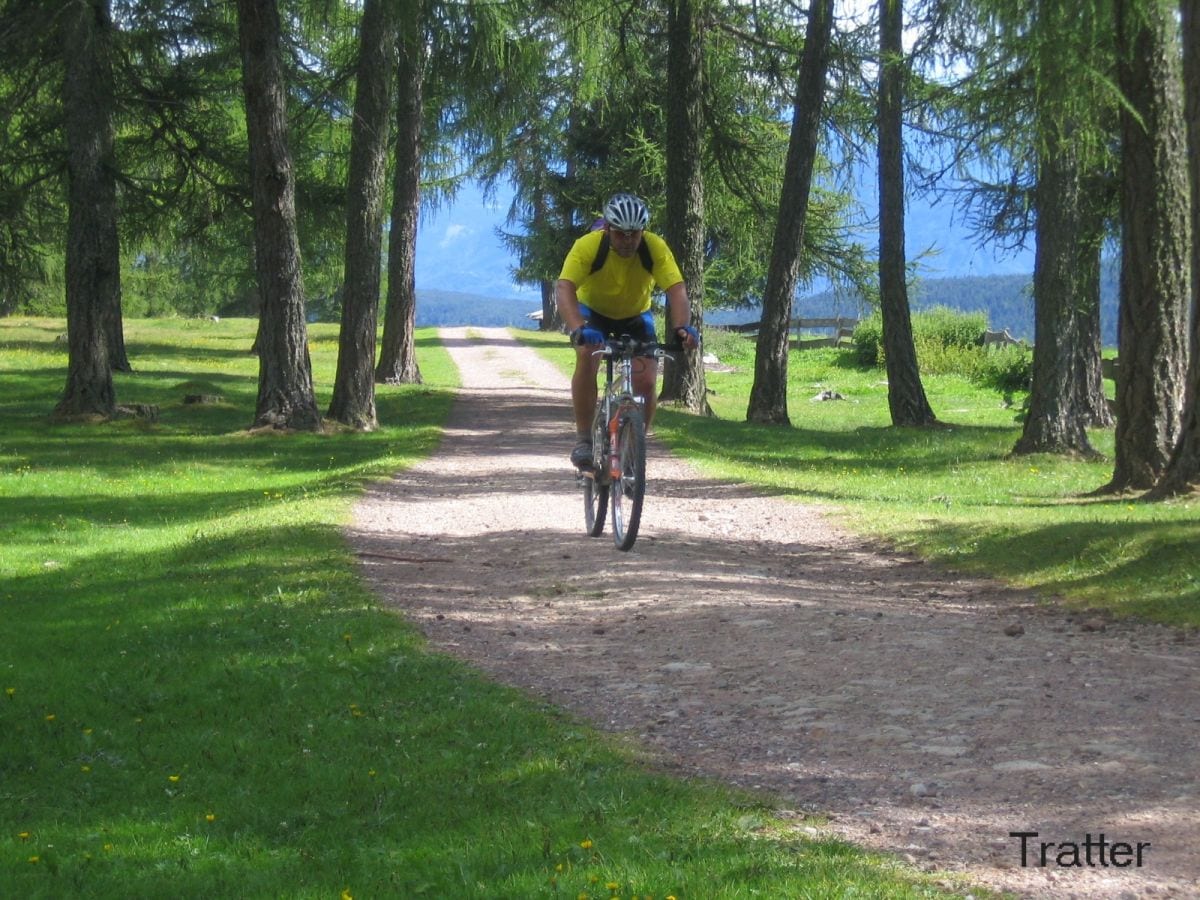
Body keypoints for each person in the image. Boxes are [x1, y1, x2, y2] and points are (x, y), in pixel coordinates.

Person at [556, 192, 700, 469]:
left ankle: (635, 447)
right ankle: (584, 439)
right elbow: (564, 287)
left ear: (642, 231)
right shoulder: (588, 246)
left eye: (634, 234)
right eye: (621, 234)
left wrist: (682, 327)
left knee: (646, 381)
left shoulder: (654, 247)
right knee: (587, 356)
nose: (628, 241)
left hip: (635, 315)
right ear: (608, 229)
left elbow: (677, 289)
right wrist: (577, 328)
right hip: (593, 314)